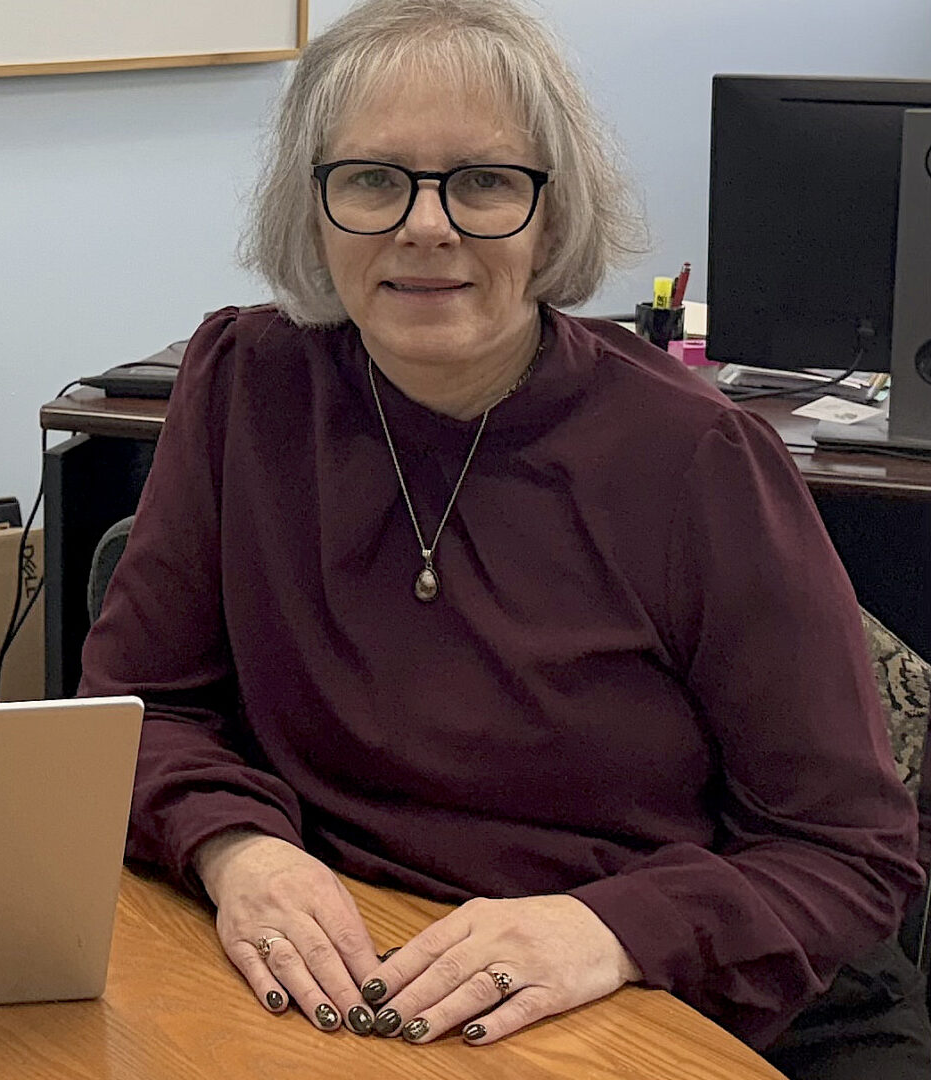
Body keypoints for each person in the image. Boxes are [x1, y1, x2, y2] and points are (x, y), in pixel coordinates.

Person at [78, 1, 929, 1075]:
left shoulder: (697, 461)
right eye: (374, 179)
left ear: (550, 211)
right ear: (314, 206)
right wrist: (239, 848)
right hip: (360, 974)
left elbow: (850, 855)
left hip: (681, 1000)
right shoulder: (246, 388)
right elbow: (140, 710)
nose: (424, 225)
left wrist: (607, 928)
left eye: (482, 181)